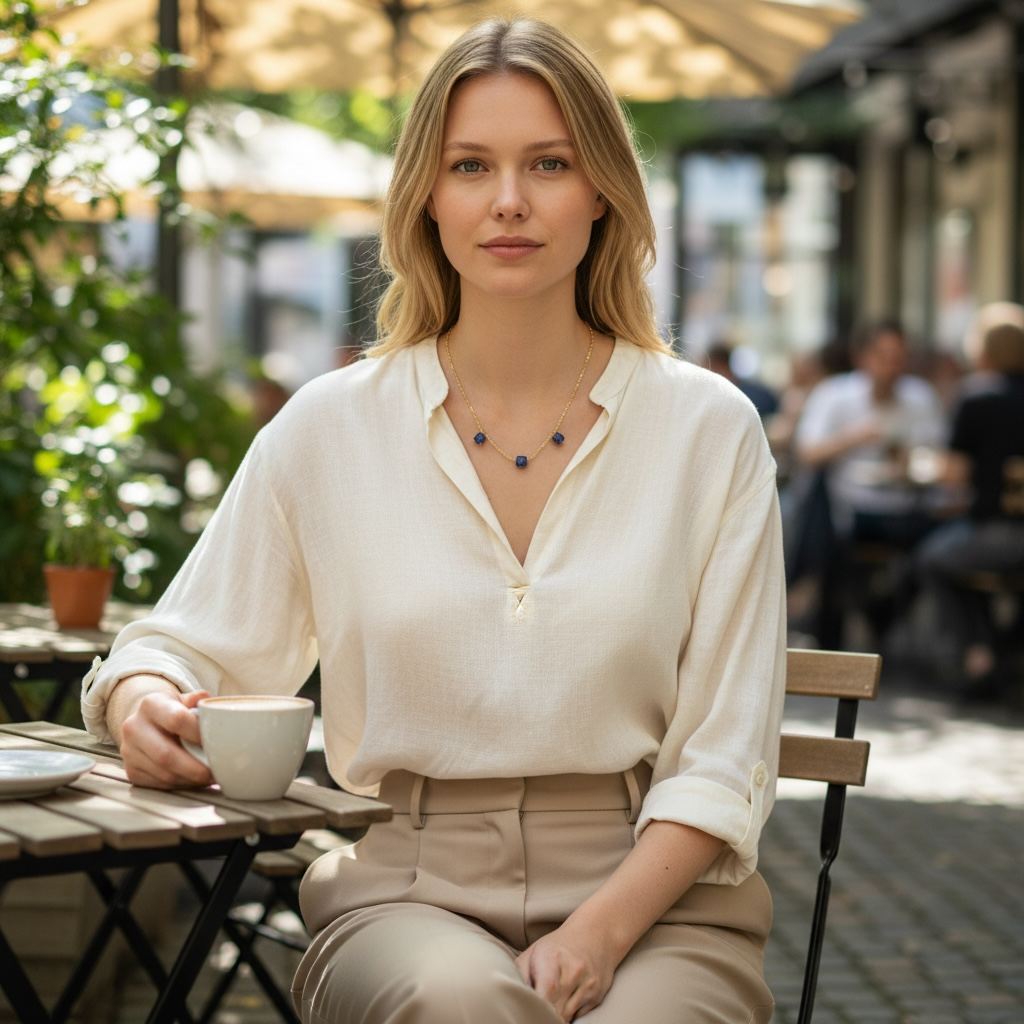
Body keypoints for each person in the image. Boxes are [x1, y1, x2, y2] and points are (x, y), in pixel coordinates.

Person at [80, 18, 786, 1024]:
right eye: (470, 165)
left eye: (548, 162)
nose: (508, 200)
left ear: (601, 193)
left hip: (659, 902)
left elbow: (722, 755)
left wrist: (595, 935)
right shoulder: (327, 430)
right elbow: (182, 644)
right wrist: (143, 697)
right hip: (405, 894)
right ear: (427, 196)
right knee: (464, 1009)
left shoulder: (708, 431)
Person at [792, 321, 945, 648]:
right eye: (883, 356)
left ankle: (880, 614)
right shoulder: (835, 395)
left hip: (905, 506)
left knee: (939, 549)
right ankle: (830, 641)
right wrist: (852, 438)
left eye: (899, 357)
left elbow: (936, 458)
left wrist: (910, 462)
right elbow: (807, 453)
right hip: (849, 507)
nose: (891, 366)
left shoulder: (920, 398)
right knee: (830, 545)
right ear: (863, 357)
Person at [916, 303, 1024, 698]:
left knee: (933, 558)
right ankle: (1004, 648)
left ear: (983, 352)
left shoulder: (977, 399)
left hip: (997, 534)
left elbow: (952, 475)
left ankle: (980, 653)